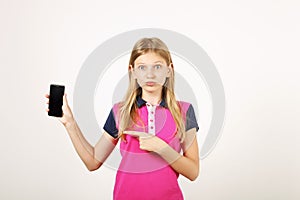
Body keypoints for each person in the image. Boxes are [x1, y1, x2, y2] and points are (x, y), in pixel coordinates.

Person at [45, 37, 200, 200]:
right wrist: (70, 123)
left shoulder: (184, 111)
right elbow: (92, 162)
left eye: (157, 66)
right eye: (142, 67)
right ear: (132, 71)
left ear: (169, 70)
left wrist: (162, 148)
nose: (150, 74)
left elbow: (193, 171)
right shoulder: (120, 111)